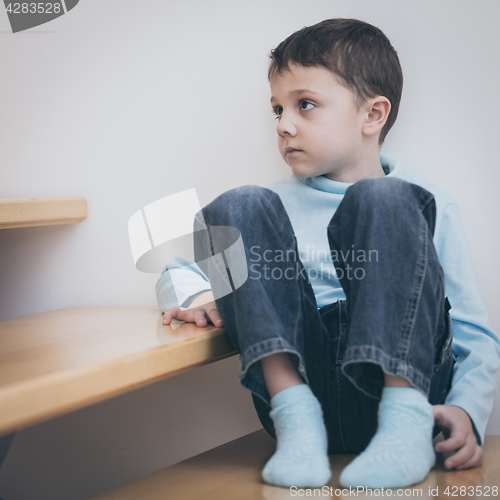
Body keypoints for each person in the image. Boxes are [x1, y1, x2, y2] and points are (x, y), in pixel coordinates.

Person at [157, 18, 500, 489]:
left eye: (305, 105)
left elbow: (471, 330)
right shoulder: (270, 210)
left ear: (372, 115)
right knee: (237, 204)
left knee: (383, 197)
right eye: (277, 109)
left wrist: (467, 410)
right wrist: (200, 296)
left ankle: (403, 429)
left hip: (411, 391)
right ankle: (296, 418)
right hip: (302, 385)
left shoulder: (423, 204)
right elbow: (176, 271)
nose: (284, 124)